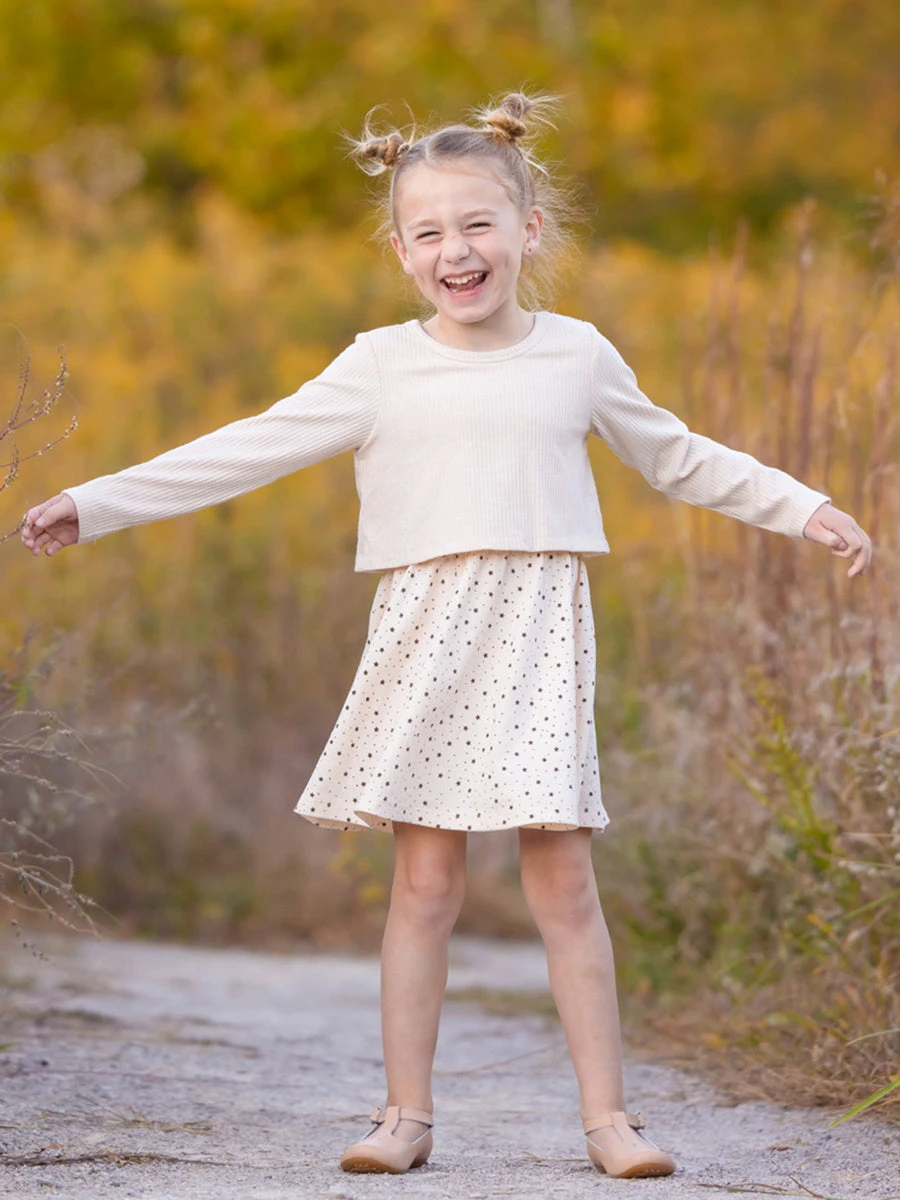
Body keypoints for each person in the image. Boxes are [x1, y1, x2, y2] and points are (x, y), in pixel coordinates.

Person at [21, 93, 871, 1180]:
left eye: (477, 225)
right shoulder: (381, 364)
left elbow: (681, 455)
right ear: (400, 250)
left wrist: (807, 506)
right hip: (423, 637)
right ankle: (404, 1117)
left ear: (530, 230)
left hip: (537, 638)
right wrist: (96, 503)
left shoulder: (577, 355)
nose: (454, 250)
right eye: (428, 232)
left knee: (562, 880)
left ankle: (610, 1120)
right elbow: (250, 447)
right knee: (425, 884)